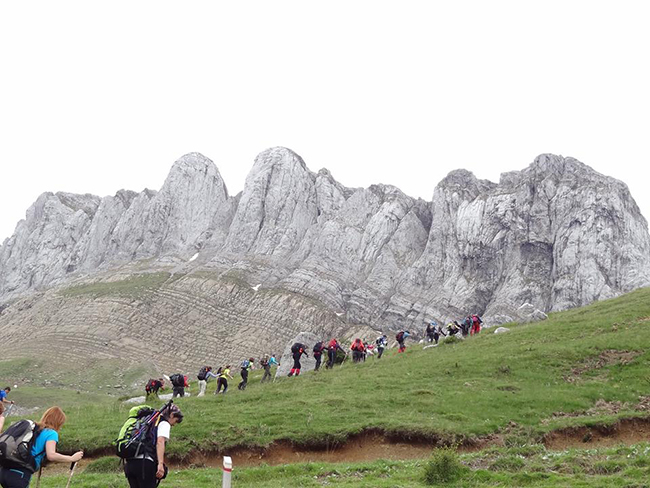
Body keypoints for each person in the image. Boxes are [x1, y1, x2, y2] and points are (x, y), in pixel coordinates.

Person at [0, 406, 83, 488]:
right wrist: (72, 458)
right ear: (58, 422)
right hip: (20, 473)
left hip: (4, 471)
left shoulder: (36, 429)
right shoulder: (51, 433)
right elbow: (51, 455)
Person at [124, 404, 183, 488]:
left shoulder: (147, 421)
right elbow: (160, 441)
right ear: (172, 415)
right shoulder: (164, 423)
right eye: (176, 421)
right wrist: (160, 464)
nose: (174, 424)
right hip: (145, 464)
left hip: (130, 463)